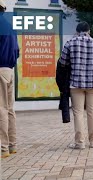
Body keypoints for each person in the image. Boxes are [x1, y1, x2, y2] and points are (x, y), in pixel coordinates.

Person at [58, 21, 93, 149]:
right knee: (92, 113)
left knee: (78, 113)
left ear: (77, 31)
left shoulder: (70, 43)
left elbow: (62, 62)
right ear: (89, 31)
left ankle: (79, 142)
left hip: (76, 83)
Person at [0, 0, 20, 158]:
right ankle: (12, 145)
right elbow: (17, 50)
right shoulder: (9, 25)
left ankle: (3, 148)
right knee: (10, 109)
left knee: (1, 109)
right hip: (10, 70)